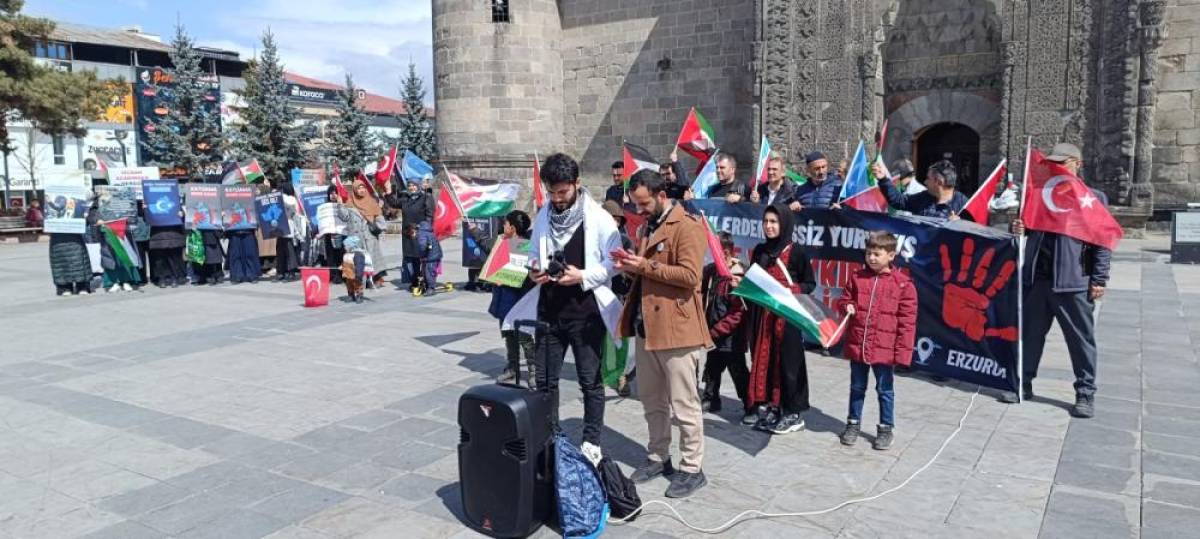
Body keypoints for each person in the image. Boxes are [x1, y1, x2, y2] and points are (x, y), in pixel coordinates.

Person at [616, 169, 712, 499]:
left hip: (678, 329)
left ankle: (692, 467)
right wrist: (629, 267)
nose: (639, 210)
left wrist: (643, 266)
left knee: (684, 404)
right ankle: (659, 456)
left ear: (660, 195)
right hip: (647, 328)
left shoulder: (687, 226)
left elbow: (689, 276)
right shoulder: (647, 227)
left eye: (643, 203)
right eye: (635, 204)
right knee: (652, 400)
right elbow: (645, 275)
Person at [525, 152, 622, 455]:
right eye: (552, 192)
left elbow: (616, 264)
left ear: (577, 184)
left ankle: (591, 441)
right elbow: (532, 252)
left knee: (589, 382)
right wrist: (534, 269)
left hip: (586, 313)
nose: (556, 199)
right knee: (544, 382)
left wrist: (582, 275)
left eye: (562, 192)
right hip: (549, 312)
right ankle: (550, 435)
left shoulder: (600, 219)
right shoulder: (543, 214)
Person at [1005, 142, 1111, 419]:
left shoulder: (1092, 197)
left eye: (1063, 162)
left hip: (1072, 282)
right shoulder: (1040, 194)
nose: (1057, 167)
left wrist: (1099, 278)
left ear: (1078, 164)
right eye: (1054, 162)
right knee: (1030, 336)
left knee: (1080, 341)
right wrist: (1018, 228)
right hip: (1038, 280)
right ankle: (1022, 383)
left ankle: (1085, 393)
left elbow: (1102, 242)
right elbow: (1025, 229)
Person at [836, 231, 918, 450]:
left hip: (885, 349)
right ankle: (853, 424)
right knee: (857, 387)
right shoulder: (857, 277)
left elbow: (907, 323)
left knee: (885, 390)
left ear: (891, 255)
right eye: (869, 253)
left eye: (877, 254)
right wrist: (846, 306)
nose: (871, 258)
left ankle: (885, 428)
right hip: (859, 344)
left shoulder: (903, 285)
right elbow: (843, 299)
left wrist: (902, 354)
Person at [746, 203, 816, 434]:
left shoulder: (796, 253)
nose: (769, 226)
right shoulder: (760, 251)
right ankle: (773, 407)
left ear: (784, 224)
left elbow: (810, 283)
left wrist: (790, 290)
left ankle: (793, 413)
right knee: (766, 363)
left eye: (774, 222)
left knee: (788, 365)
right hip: (763, 318)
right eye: (766, 221)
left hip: (787, 319)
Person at [701, 233, 749, 417]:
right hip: (713, 334)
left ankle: (749, 404)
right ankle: (711, 398)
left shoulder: (737, 276)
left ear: (727, 253)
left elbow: (737, 314)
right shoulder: (712, 271)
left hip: (731, 338)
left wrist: (717, 331)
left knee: (738, 372)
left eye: (716, 251)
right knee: (712, 368)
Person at [490, 210, 537, 385]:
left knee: (524, 335)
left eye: (506, 224)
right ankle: (512, 368)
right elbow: (488, 251)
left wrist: (508, 279)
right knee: (508, 334)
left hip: (519, 299)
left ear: (513, 227)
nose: (503, 226)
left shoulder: (525, 246)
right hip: (504, 299)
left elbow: (527, 276)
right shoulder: (503, 243)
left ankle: (534, 370)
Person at [602, 200, 638, 397]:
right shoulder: (593, 238)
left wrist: (624, 266)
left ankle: (622, 376)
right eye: (610, 218)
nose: (614, 223)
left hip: (618, 295)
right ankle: (601, 373)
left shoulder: (624, 241)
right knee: (599, 338)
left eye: (617, 219)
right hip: (597, 295)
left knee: (619, 338)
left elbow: (631, 268)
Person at [873, 159, 967, 219]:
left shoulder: (963, 204)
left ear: (939, 182)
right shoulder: (923, 197)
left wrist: (960, 224)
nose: (925, 182)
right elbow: (898, 200)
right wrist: (883, 179)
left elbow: (976, 232)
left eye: (928, 178)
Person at [385, 178, 433, 284]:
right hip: (408, 234)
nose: (411, 187)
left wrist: (427, 230)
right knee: (412, 258)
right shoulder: (406, 198)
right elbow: (394, 203)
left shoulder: (425, 198)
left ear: (418, 186)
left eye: (414, 185)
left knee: (423, 257)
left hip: (421, 233)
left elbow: (430, 215)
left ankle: (427, 280)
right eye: (410, 185)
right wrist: (388, 192)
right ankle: (414, 280)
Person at [347, 177, 388, 287]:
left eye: (363, 188)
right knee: (361, 259)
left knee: (373, 257)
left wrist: (380, 228)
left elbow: (379, 216)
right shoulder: (350, 202)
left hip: (370, 235)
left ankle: (376, 278)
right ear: (355, 190)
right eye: (359, 188)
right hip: (357, 237)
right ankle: (363, 280)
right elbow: (345, 217)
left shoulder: (371, 200)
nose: (362, 190)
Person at [48, 211, 93, 296]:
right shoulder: (51, 208)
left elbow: (85, 224)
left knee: (79, 261)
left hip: (75, 238)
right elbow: (45, 223)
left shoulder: (77, 207)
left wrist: (84, 217)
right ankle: (64, 287)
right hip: (58, 239)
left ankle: (82, 286)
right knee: (61, 263)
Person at [274, 181, 304, 282]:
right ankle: (282, 272)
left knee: (287, 251)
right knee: (281, 250)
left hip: (288, 228)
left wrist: (277, 194)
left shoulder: (290, 199)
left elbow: (289, 205)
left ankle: (288, 272)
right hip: (282, 228)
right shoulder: (286, 198)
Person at [407, 222, 443, 296]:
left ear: (414, 231)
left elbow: (423, 247)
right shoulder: (427, 232)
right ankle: (427, 286)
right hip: (432, 256)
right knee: (425, 272)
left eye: (411, 235)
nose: (413, 238)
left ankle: (431, 288)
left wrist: (422, 256)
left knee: (429, 273)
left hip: (431, 257)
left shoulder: (421, 234)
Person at [340, 235, 373, 303]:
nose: (344, 247)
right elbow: (345, 262)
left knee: (357, 285)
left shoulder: (358, 254)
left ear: (351, 246)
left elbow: (359, 265)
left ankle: (359, 295)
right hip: (348, 274)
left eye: (346, 246)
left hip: (355, 275)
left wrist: (359, 274)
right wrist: (342, 267)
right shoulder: (347, 254)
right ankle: (351, 295)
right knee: (349, 285)